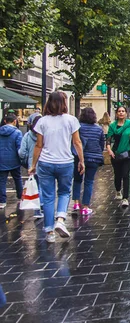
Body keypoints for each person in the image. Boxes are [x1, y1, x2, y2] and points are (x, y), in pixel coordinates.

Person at [29, 92, 84, 243]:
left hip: (45, 163)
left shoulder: (42, 122)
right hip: (65, 162)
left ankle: (49, 232)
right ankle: (60, 219)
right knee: (65, 192)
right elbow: (77, 142)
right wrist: (81, 160)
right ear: (64, 103)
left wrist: (33, 165)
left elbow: (38, 145)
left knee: (47, 197)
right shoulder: (71, 120)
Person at [72, 108, 105, 216]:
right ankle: (85, 207)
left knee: (77, 180)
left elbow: (75, 142)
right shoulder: (99, 129)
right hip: (94, 158)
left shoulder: (79, 128)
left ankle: (76, 203)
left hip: (80, 157)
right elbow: (101, 144)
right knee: (89, 182)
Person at [106, 106, 130, 208]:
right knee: (117, 174)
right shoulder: (112, 126)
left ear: (126, 113)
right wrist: (109, 150)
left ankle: (125, 198)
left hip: (127, 153)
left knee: (126, 174)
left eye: (123, 111)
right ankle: (118, 190)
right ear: (117, 113)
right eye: (119, 111)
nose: (121, 113)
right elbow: (109, 139)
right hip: (116, 153)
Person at [19, 114, 43, 218]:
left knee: (36, 187)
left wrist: (26, 161)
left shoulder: (27, 136)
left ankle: (37, 211)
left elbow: (22, 153)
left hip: (32, 165)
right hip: (45, 163)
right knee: (45, 187)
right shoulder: (45, 135)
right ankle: (45, 207)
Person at [0, 113, 24, 211]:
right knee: (18, 179)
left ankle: (2, 201)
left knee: (2, 181)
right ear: (15, 122)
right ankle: (20, 197)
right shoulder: (17, 132)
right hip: (14, 160)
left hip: (1, 160)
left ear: (5, 121)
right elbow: (19, 148)